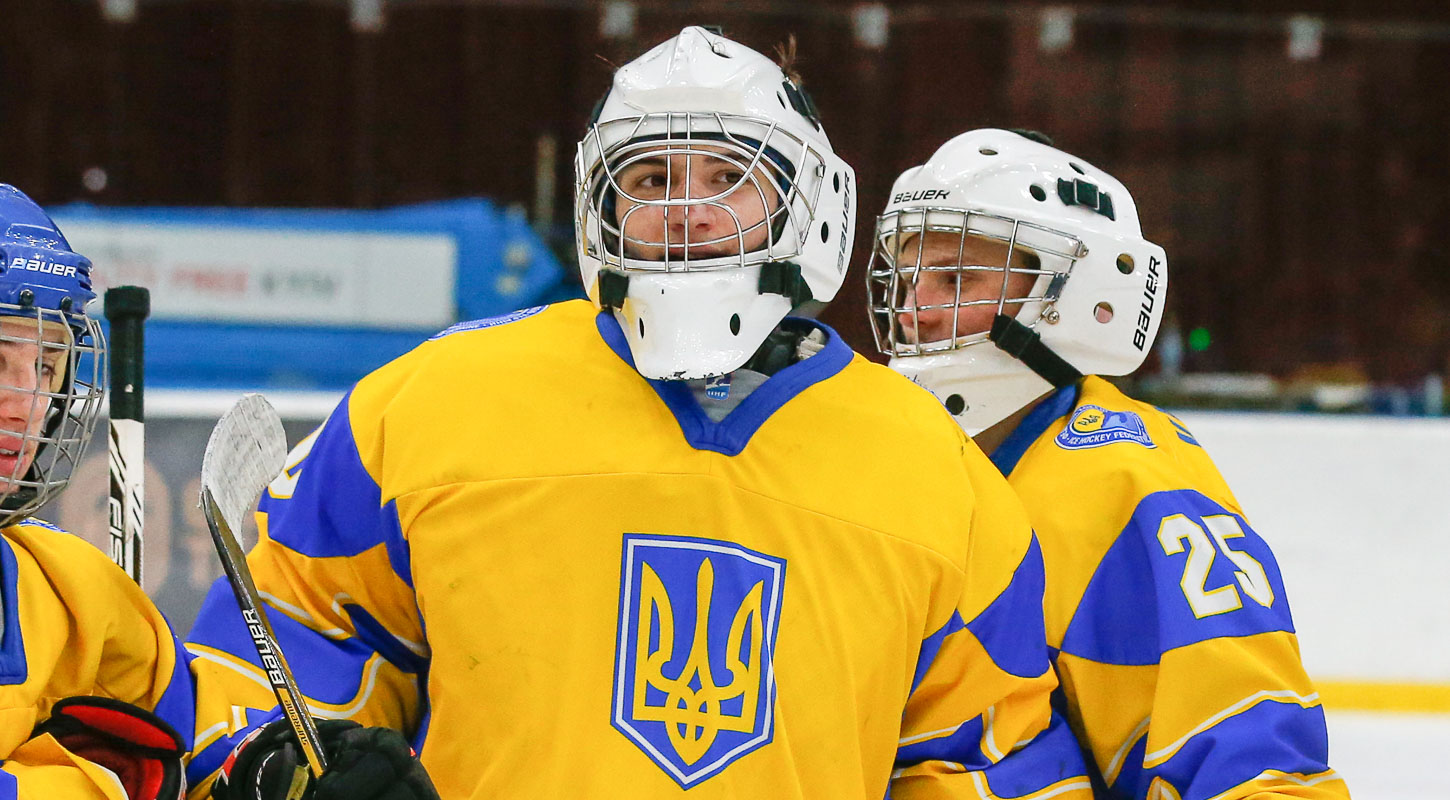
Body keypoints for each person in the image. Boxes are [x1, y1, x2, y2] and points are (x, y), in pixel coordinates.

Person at [185, 28, 1093, 799]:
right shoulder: (428, 404)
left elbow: (990, 760)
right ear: (600, 205)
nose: (687, 211)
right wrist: (273, 762)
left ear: (806, 203)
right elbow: (279, 637)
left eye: (728, 177)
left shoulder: (938, 472)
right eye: (651, 178)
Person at [866, 129, 1350, 799]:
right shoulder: (890, 464)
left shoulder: (1129, 486)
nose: (915, 310)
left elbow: (1244, 759)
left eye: (955, 278)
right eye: (909, 277)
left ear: (1074, 296)